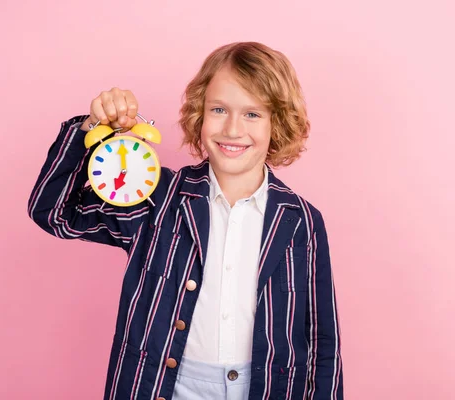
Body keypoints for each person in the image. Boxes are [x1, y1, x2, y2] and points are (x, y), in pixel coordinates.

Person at [27, 41, 343, 400]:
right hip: (166, 388)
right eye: (219, 109)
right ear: (200, 112)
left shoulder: (301, 220)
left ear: (278, 123)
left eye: (253, 114)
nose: (233, 129)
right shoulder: (158, 198)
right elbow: (53, 211)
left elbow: (320, 339)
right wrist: (92, 128)